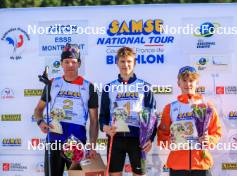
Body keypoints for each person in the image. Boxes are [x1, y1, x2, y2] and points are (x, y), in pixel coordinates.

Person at [34, 43, 99, 176]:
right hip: (54, 140)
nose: (70, 65)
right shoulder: (52, 84)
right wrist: (40, 122)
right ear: (61, 64)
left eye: (73, 62)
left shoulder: (89, 87)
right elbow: (38, 109)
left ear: (79, 64)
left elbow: (94, 120)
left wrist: (92, 145)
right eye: (66, 62)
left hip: (77, 141)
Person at [99, 46, 157, 176]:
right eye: (122, 61)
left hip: (138, 139)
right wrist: (105, 128)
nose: (126, 65)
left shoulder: (145, 87)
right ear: (117, 63)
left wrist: (150, 139)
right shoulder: (109, 87)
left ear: (134, 62)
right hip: (116, 138)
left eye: (129, 61)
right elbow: (103, 116)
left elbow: (152, 116)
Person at [157, 66, 222, 176]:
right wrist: (170, 142)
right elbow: (162, 135)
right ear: (178, 83)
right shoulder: (170, 108)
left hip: (201, 164)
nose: (188, 84)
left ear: (197, 82)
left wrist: (208, 139)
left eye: (191, 81)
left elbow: (216, 132)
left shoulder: (206, 106)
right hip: (177, 166)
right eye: (184, 80)